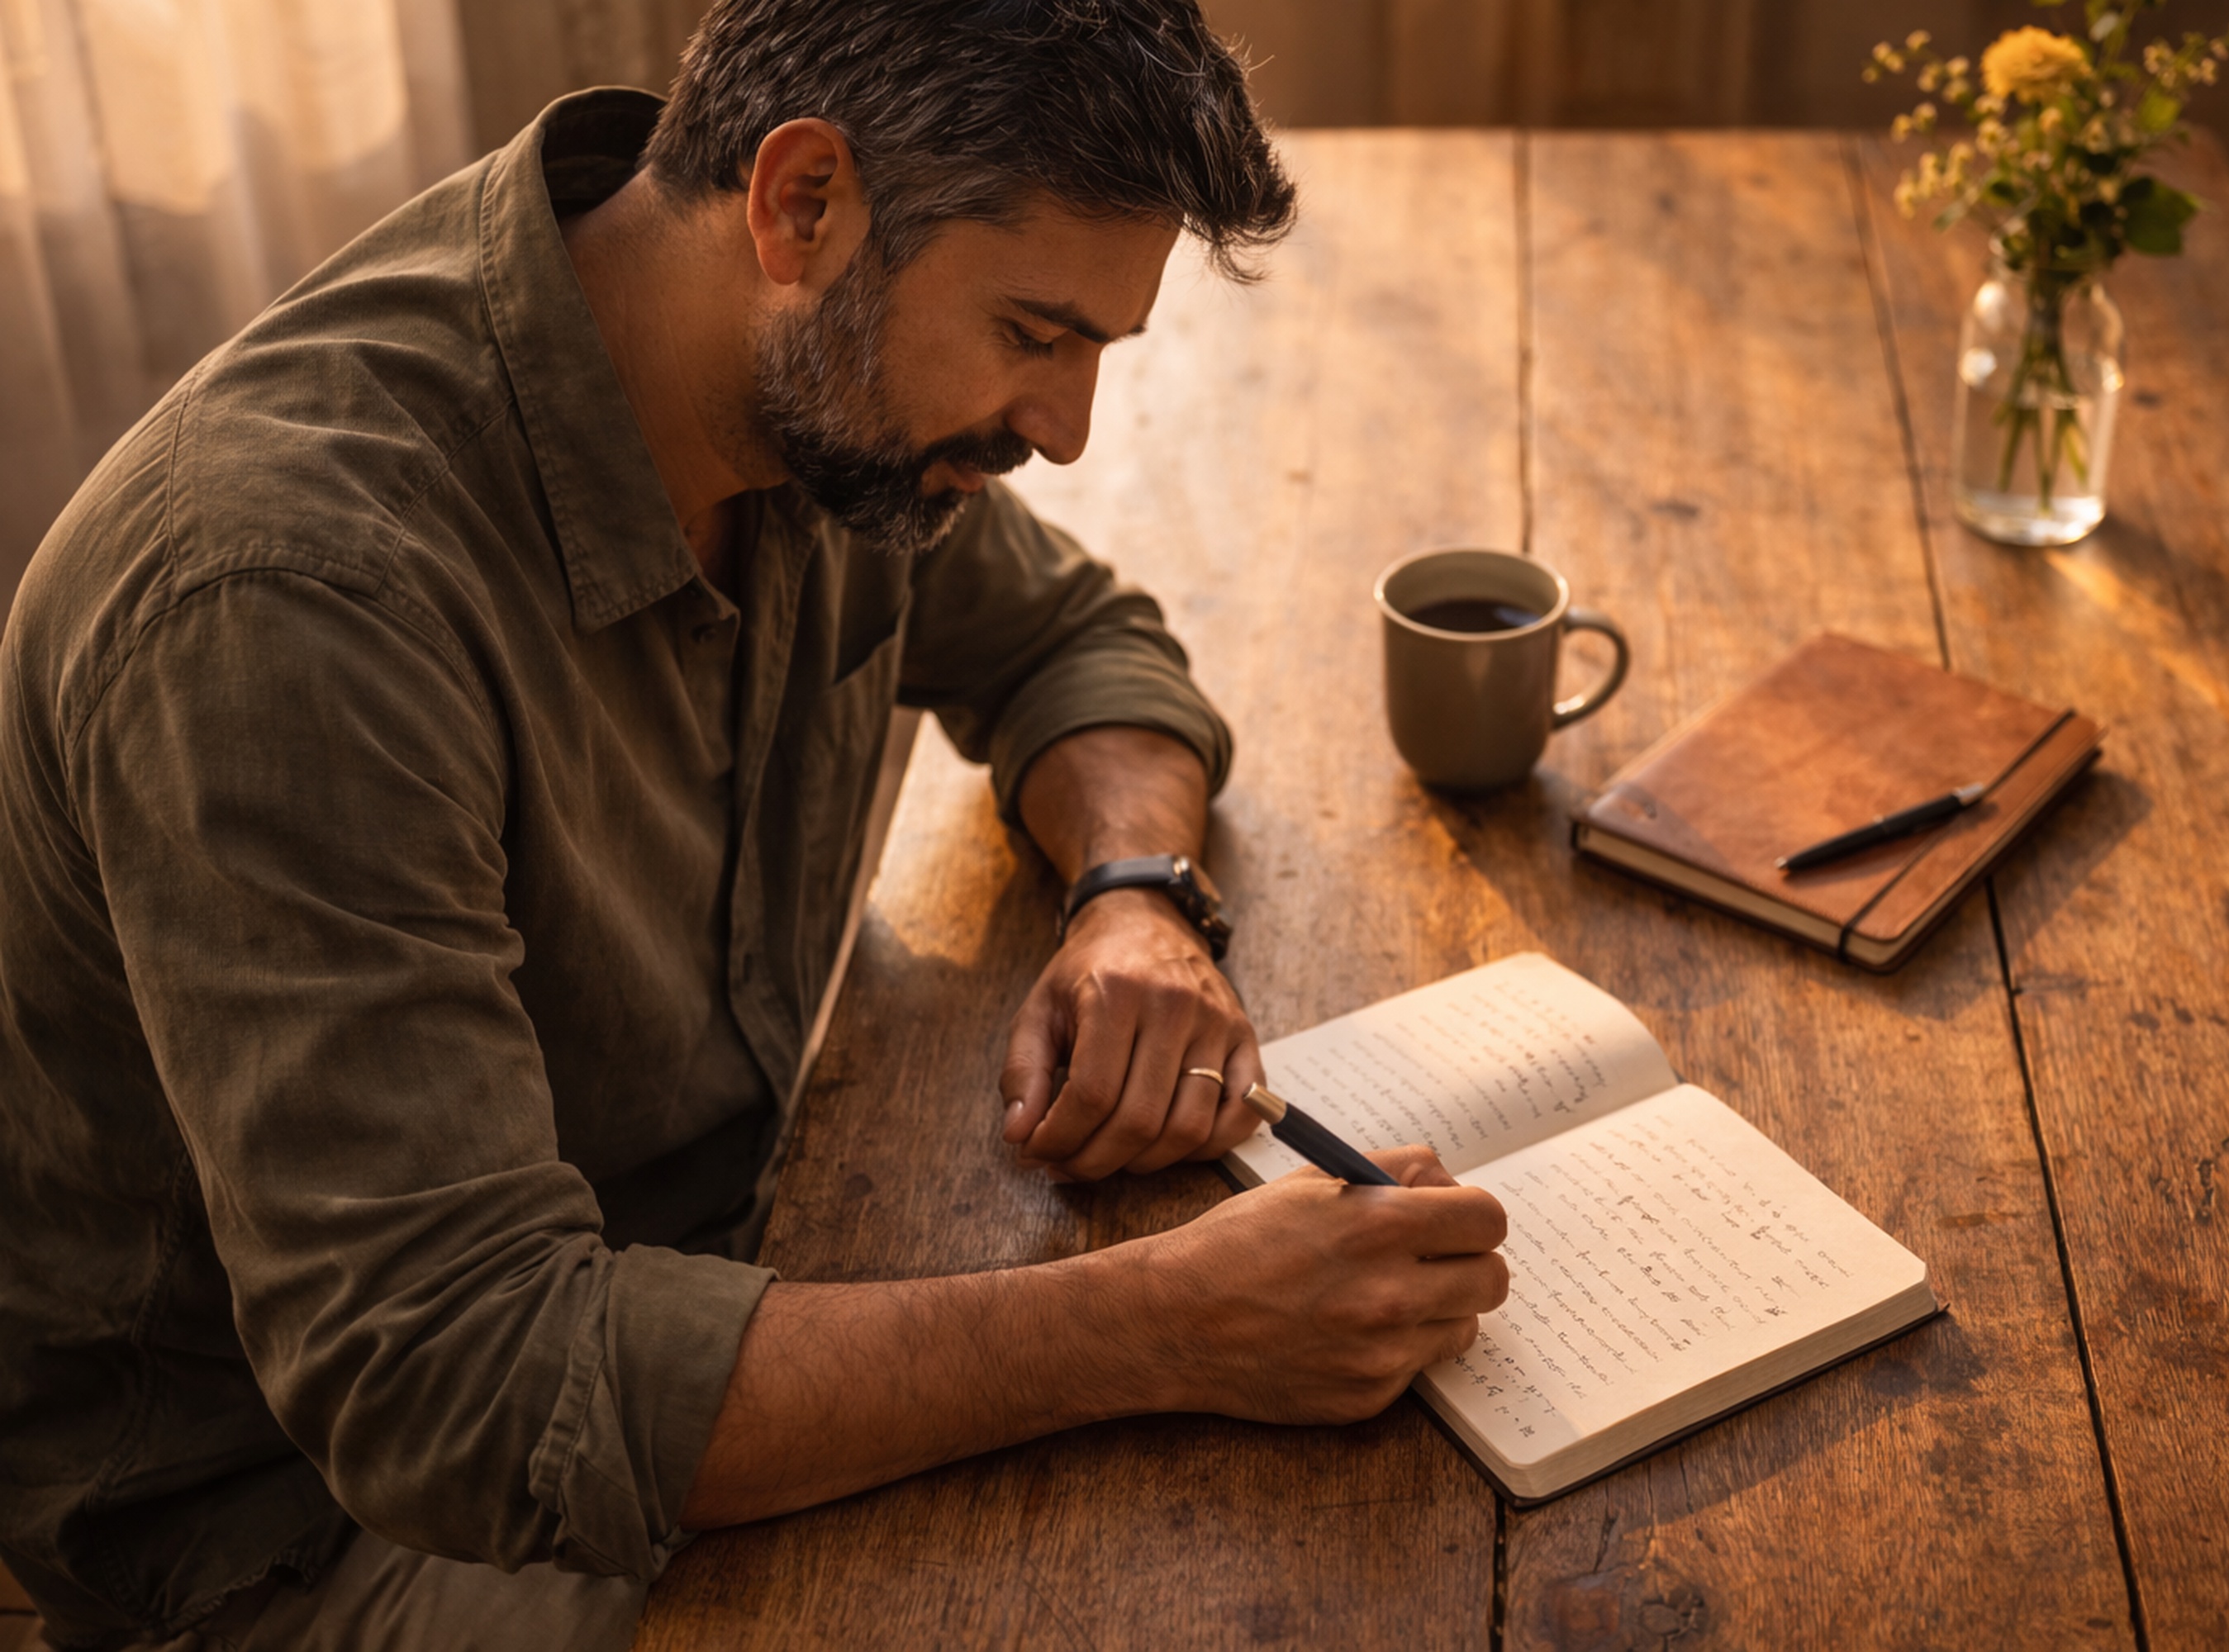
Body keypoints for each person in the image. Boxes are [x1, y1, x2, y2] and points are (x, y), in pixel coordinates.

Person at [0, 1, 1512, 1647]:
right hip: (308, 1532)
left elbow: (1081, 645)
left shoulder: (813, 407)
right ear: (802, 204)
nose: (1069, 428)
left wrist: (1136, 894)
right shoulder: (292, 604)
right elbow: (461, 1383)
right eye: (1033, 332)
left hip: (746, 1233)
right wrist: (1159, 1328)